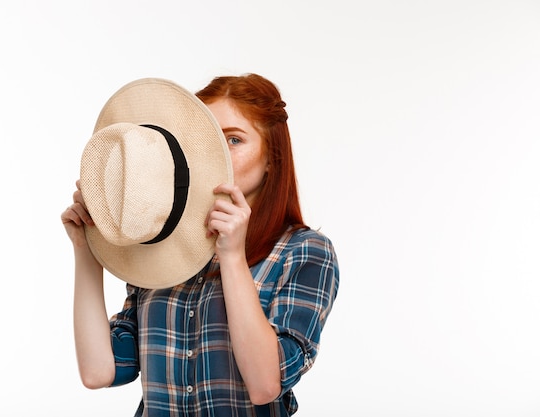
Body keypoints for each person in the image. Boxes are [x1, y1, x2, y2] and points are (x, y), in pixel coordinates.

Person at [61, 73, 340, 416]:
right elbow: (98, 371)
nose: (218, 153)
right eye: (207, 141)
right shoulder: (160, 244)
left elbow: (265, 384)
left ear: (272, 159)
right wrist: (87, 247)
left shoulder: (304, 252)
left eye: (234, 140)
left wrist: (232, 257)